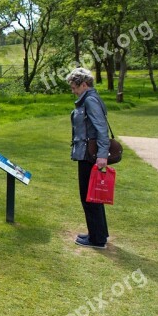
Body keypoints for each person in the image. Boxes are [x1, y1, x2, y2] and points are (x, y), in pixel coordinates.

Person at [67, 67, 109, 249]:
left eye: (74, 87)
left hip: (89, 154)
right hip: (87, 153)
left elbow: (101, 128)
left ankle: (97, 239)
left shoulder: (90, 101)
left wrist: (102, 155)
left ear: (83, 84)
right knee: (93, 195)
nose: (73, 90)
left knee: (88, 196)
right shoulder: (89, 99)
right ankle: (99, 233)